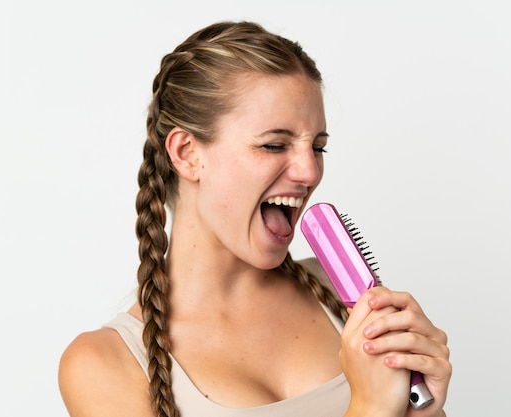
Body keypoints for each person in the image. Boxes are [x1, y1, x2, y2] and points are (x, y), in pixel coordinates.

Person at [58, 21, 451, 417]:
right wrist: (371, 407)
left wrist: (425, 411)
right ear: (187, 153)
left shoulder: (348, 298)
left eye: (318, 148)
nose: (310, 172)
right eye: (274, 144)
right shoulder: (103, 364)